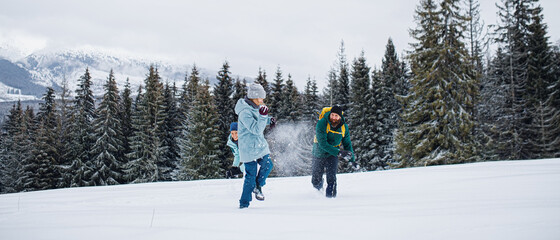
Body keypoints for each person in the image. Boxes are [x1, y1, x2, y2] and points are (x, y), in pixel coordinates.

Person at [235, 83, 274, 209]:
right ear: (253, 97)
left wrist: (269, 120)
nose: (262, 101)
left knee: (268, 164)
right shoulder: (244, 112)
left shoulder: (255, 107)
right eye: (260, 98)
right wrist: (263, 117)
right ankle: (244, 204)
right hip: (248, 147)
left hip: (259, 144)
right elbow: (256, 129)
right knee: (250, 176)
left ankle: (258, 186)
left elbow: (259, 120)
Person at [311, 105, 357, 198]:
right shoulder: (322, 123)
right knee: (315, 180)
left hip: (333, 154)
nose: (334, 118)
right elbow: (322, 144)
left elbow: (347, 143)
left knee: (332, 179)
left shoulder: (344, 127)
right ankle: (318, 191)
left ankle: (331, 201)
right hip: (319, 152)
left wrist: (352, 160)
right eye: (332, 115)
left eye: (336, 116)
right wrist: (339, 152)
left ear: (340, 117)